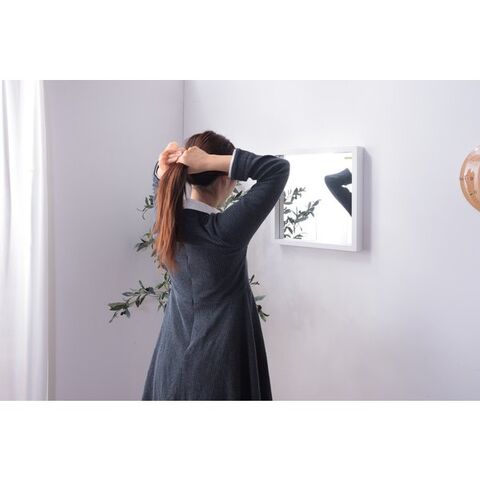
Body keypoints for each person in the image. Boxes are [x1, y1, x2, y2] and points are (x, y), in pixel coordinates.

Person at [141, 130, 290, 400]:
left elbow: (159, 180)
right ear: (225, 179)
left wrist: (166, 166)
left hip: (170, 364)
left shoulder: (167, 220)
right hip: (220, 370)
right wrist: (210, 161)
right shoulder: (224, 232)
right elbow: (277, 169)